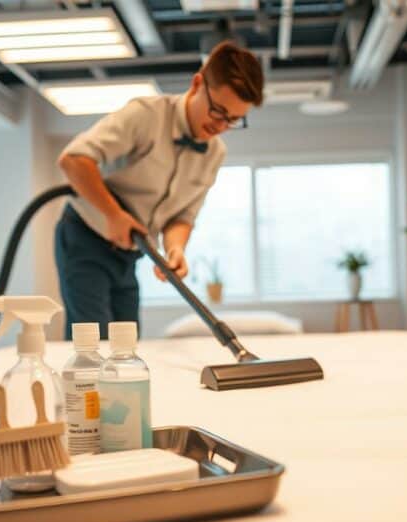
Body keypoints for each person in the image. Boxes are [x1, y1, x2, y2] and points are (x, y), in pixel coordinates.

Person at [55, 41, 264, 339]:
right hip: (85, 238)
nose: (221, 125)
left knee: (126, 342)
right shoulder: (145, 114)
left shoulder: (215, 154)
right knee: (93, 342)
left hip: (132, 253)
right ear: (197, 83)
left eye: (233, 120)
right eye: (218, 111)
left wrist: (176, 248)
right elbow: (74, 160)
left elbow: (183, 216)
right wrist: (113, 214)